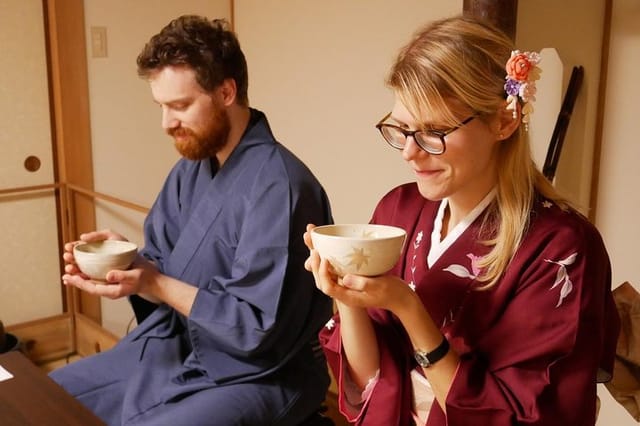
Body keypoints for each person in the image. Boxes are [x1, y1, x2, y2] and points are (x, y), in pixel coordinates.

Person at [304, 15, 619, 426]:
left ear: (503, 122)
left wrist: (408, 308)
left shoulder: (561, 247)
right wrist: (348, 297)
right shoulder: (398, 212)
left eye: (433, 132)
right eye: (402, 130)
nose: (409, 154)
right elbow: (371, 383)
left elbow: (521, 416)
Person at [50, 15, 334, 426]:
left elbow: (258, 327)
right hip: (176, 346)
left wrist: (153, 281)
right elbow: (159, 277)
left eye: (180, 106)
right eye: (161, 106)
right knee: (51, 398)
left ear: (226, 91)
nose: (166, 123)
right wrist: (127, 268)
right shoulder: (190, 170)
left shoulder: (282, 187)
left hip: (260, 374)